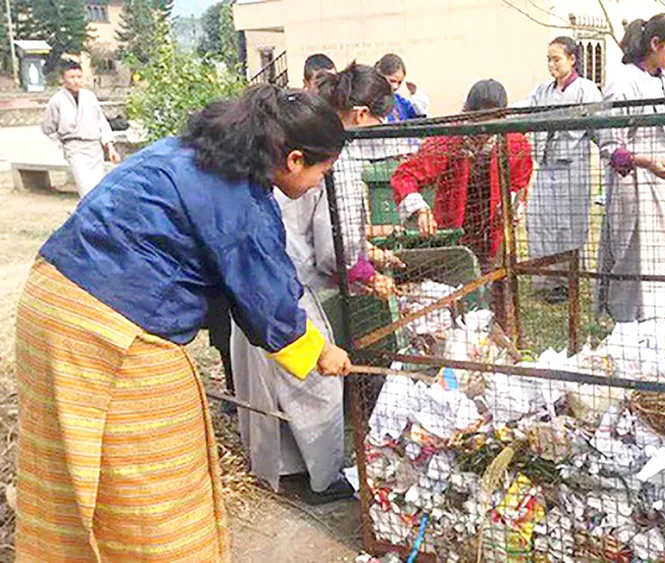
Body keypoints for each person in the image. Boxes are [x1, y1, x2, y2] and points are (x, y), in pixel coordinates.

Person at [15, 84, 352, 561]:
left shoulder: (193, 153)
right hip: (108, 333)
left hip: (48, 301)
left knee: (74, 462)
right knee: (159, 476)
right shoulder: (237, 198)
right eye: (323, 171)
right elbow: (266, 301)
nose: (319, 183)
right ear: (295, 159)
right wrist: (320, 352)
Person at [229, 63, 400, 502]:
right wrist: (364, 273)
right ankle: (325, 479)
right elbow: (331, 250)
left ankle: (282, 467)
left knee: (267, 376)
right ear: (360, 115)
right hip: (282, 279)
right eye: (381, 119)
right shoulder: (336, 156)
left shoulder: (293, 136)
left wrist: (369, 254)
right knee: (316, 380)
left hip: (256, 276)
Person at [391, 80, 532, 331]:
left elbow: (519, 182)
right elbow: (406, 175)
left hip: (494, 228)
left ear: (502, 118)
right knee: (455, 285)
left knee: (497, 283)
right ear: (467, 112)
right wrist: (420, 209)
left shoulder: (514, 141)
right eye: (477, 122)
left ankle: (499, 335)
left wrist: (513, 205)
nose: (482, 132)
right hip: (454, 226)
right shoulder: (449, 138)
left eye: (490, 124)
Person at [596, 14, 665, 323]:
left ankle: (664, 320)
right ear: (655, 44)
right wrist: (646, 162)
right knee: (635, 257)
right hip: (634, 185)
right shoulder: (623, 82)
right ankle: (630, 323)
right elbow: (610, 145)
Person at [526, 37, 602, 304]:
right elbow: (524, 110)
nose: (552, 64)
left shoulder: (587, 90)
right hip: (545, 167)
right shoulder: (542, 90)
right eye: (548, 59)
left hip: (572, 168)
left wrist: (612, 153)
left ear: (572, 59)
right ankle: (545, 279)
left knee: (568, 226)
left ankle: (567, 282)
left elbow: (600, 129)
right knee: (541, 222)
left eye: (556, 59)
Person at [41, 60, 121, 198]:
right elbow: (48, 127)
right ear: (62, 79)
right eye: (72, 77)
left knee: (98, 188)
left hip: (94, 147)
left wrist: (110, 147)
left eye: (79, 77)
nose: (76, 81)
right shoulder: (56, 101)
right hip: (75, 148)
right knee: (86, 189)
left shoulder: (90, 97)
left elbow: (101, 122)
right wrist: (61, 143)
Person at [375, 53, 429, 121]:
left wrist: (415, 93)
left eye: (399, 82)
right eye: (392, 81)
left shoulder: (399, 100)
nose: (395, 86)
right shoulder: (372, 101)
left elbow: (418, 116)